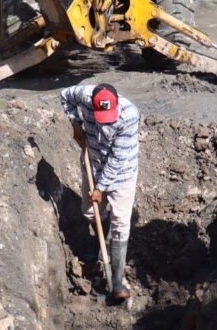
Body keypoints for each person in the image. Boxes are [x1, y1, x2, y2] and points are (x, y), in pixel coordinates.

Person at [60, 83, 140, 300]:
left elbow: (117, 160)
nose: (106, 125)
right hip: (93, 164)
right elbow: (64, 95)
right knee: (88, 212)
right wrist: (76, 123)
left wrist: (100, 189)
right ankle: (102, 245)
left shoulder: (129, 115)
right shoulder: (82, 94)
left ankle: (117, 281)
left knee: (121, 223)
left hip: (122, 173)